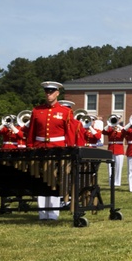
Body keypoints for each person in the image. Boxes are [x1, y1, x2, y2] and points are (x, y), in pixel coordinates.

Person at [25, 81, 78, 220]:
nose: (49, 94)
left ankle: (53, 213)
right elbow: (31, 132)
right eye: (47, 92)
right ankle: (42, 213)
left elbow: (70, 133)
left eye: (51, 92)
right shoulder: (37, 110)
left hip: (58, 149)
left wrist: (70, 149)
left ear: (57, 93)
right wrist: (30, 147)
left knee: (55, 180)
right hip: (39, 149)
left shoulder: (65, 111)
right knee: (40, 180)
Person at [103, 115, 126, 187]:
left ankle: (117, 182)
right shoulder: (110, 129)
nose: (116, 120)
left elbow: (125, 132)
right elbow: (103, 131)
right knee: (109, 166)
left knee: (118, 167)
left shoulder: (122, 129)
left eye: (118, 119)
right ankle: (111, 182)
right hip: (110, 149)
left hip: (119, 150)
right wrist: (109, 124)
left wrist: (118, 126)